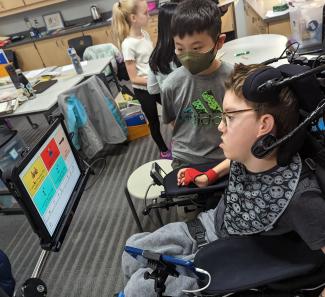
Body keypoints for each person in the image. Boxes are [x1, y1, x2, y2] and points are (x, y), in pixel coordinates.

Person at [120, 63, 325, 297]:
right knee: (132, 249)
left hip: (232, 256)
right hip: (210, 224)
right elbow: (232, 163)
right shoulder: (253, 152)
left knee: (139, 288)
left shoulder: (301, 198)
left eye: (228, 118)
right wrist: (210, 174)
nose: (220, 126)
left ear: (264, 125)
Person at [161, 0, 233, 169]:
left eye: (196, 49)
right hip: (185, 160)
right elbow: (173, 120)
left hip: (225, 156)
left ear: (219, 42)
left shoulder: (233, 78)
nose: (187, 56)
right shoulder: (170, 85)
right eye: (180, 49)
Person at [112, 0, 171, 159]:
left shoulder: (144, 34)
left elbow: (150, 62)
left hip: (156, 84)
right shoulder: (128, 45)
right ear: (133, 18)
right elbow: (133, 78)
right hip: (144, 90)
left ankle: (180, 140)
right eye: (145, 13)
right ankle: (163, 150)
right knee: (154, 121)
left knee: (172, 111)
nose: (149, 15)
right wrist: (157, 81)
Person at [147, 2, 181, 95]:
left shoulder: (155, 57)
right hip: (195, 103)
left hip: (172, 106)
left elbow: (152, 89)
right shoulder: (184, 53)